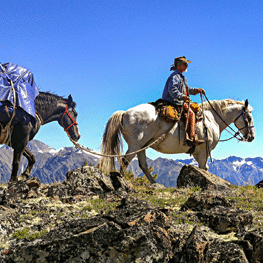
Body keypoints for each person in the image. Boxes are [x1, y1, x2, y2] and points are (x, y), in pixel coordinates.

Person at [162, 56, 205, 147]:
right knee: (191, 114)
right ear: (179, 66)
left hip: (179, 100)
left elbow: (187, 89)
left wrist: (197, 90)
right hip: (173, 101)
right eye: (185, 64)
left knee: (197, 109)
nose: (187, 66)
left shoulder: (182, 77)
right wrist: (183, 97)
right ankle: (191, 137)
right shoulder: (174, 77)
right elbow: (173, 91)